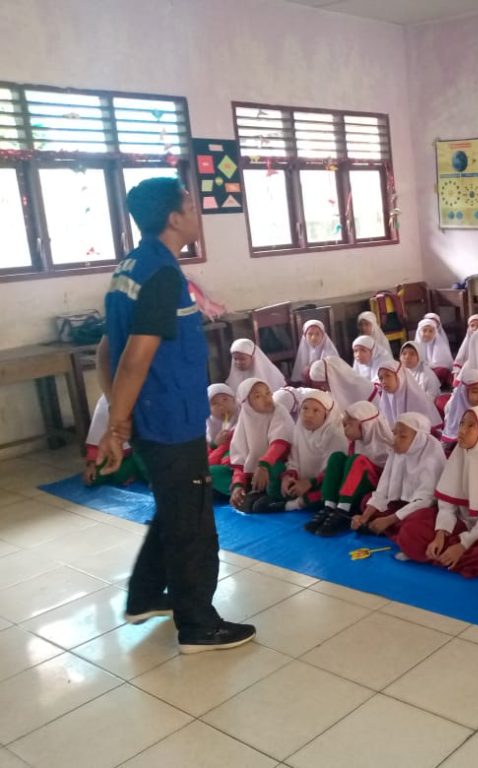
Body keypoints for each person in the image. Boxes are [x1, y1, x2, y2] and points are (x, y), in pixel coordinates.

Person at [95, 178, 254, 651]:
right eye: (190, 203)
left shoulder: (132, 267)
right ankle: (199, 625)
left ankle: (145, 595)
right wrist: (117, 424)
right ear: (173, 218)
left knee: (174, 508)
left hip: (156, 415)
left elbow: (106, 348)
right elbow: (134, 357)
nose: (196, 211)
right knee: (193, 524)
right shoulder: (162, 275)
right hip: (168, 419)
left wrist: (122, 412)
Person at [396, 405, 478, 573]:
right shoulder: (459, 454)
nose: (461, 430)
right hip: (460, 521)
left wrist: (463, 544)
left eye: (470, 426)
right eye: (462, 423)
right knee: (411, 529)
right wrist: (441, 533)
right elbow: (447, 505)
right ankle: (447, 555)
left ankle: (446, 555)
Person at [349, 412, 446, 536]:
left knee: (416, 522)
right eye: (394, 433)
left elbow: (426, 500)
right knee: (366, 502)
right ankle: (387, 526)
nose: (394, 440)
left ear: (419, 439)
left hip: (421, 507)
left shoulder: (430, 460)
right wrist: (364, 517)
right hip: (400, 504)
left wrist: (390, 519)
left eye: (402, 436)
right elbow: (383, 489)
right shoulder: (397, 453)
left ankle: (390, 526)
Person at [305, 400, 393, 536]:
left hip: (370, 495)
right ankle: (329, 506)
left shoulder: (387, 450)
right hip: (351, 489)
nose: (344, 429)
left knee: (357, 461)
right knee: (337, 457)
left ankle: (343, 511)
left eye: (349, 425)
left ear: (365, 426)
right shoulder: (356, 443)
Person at [253, 389, 347, 513]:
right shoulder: (299, 429)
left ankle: (290, 505)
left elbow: (334, 471)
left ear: (327, 415)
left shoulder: (335, 435)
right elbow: (294, 459)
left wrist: (309, 483)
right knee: (275, 470)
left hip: (322, 483)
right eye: (305, 408)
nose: (308, 414)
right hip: (300, 482)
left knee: (330, 491)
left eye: (316, 410)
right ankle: (277, 497)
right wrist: (288, 477)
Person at [227, 378, 294, 512]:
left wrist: (263, 466)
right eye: (258, 396)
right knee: (215, 473)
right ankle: (247, 493)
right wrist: (237, 485)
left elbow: (280, 442)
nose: (266, 398)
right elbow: (239, 459)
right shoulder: (244, 420)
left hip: (279, 466)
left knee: (275, 470)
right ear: (247, 403)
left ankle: (274, 497)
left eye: (268, 393)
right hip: (254, 473)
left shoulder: (278, 410)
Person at [83, 394, 147, 487]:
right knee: (96, 477)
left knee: (123, 474)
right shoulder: (104, 403)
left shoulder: (143, 399)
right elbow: (95, 438)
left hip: (137, 453)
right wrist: (92, 464)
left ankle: (138, 472)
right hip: (113, 454)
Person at [376, 359, 443, 430]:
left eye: (388, 376)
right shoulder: (384, 400)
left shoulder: (418, 401)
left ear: (399, 375)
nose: (383, 381)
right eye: (381, 378)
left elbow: (426, 431)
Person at [308, 356, 377, 413]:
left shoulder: (365, 388)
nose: (323, 388)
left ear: (333, 377)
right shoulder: (330, 394)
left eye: (324, 384)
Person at [291, 320, 339, 385]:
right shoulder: (303, 352)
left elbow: (335, 375)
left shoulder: (330, 352)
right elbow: (299, 377)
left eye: (317, 334)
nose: (313, 337)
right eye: (310, 334)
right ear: (305, 336)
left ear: (323, 335)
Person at [205, 383, 237, 467]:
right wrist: (215, 443)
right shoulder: (208, 426)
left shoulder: (244, 417)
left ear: (234, 400)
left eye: (225, 399)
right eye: (214, 403)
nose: (221, 406)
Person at [414, 316, 454, 383]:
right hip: (422, 372)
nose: (427, 334)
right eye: (424, 330)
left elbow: (445, 363)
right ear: (419, 332)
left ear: (435, 332)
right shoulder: (415, 347)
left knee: (442, 371)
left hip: (436, 371)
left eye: (431, 331)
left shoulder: (440, 345)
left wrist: (429, 367)